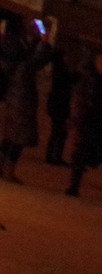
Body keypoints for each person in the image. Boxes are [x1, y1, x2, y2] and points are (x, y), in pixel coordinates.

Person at [1, 17, 55, 183]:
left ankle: (3, 168)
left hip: (12, 97)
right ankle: (8, 171)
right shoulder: (22, 55)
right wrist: (45, 43)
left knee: (10, 136)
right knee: (19, 138)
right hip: (21, 100)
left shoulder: (11, 47)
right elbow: (36, 61)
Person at [65, 50, 102, 198]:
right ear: (96, 64)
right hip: (88, 123)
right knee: (79, 155)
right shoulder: (88, 81)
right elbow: (78, 101)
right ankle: (73, 186)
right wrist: (77, 119)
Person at [44, 48, 75, 166]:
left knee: (57, 132)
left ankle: (52, 155)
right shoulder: (60, 72)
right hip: (60, 105)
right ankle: (54, 156)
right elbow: (66, 83)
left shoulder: (57, 70)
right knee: (59, 132)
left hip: (57, 105)